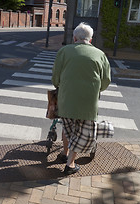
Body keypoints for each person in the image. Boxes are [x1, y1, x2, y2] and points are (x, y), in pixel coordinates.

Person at [51, 22, 112, 175]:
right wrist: (97, 89)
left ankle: (65, 155)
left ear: (74, 38)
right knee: (81, 131)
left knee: (67, 128)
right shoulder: (100, 54)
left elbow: (55, 77)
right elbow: (106, 80)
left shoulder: (64, 51)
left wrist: (60, 85)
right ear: (91, 40)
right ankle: (70, 163)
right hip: (89, 101)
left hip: (67, 98)